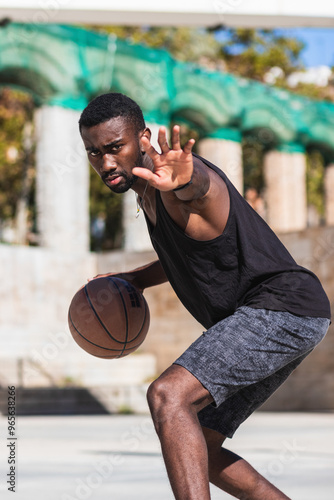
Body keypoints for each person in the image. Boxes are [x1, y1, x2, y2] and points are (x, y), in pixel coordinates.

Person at [79, 93, 331, 500]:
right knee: (201, 449)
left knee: (168, 395)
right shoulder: (147, 192)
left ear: (143, 138)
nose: (105, 163)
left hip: (280, 308)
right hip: (292, 313)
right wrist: (138, 279)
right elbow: (186, 253)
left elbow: (200, 189)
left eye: (114, 148)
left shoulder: (175, 180)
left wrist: (188, 177)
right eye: (94, 153)